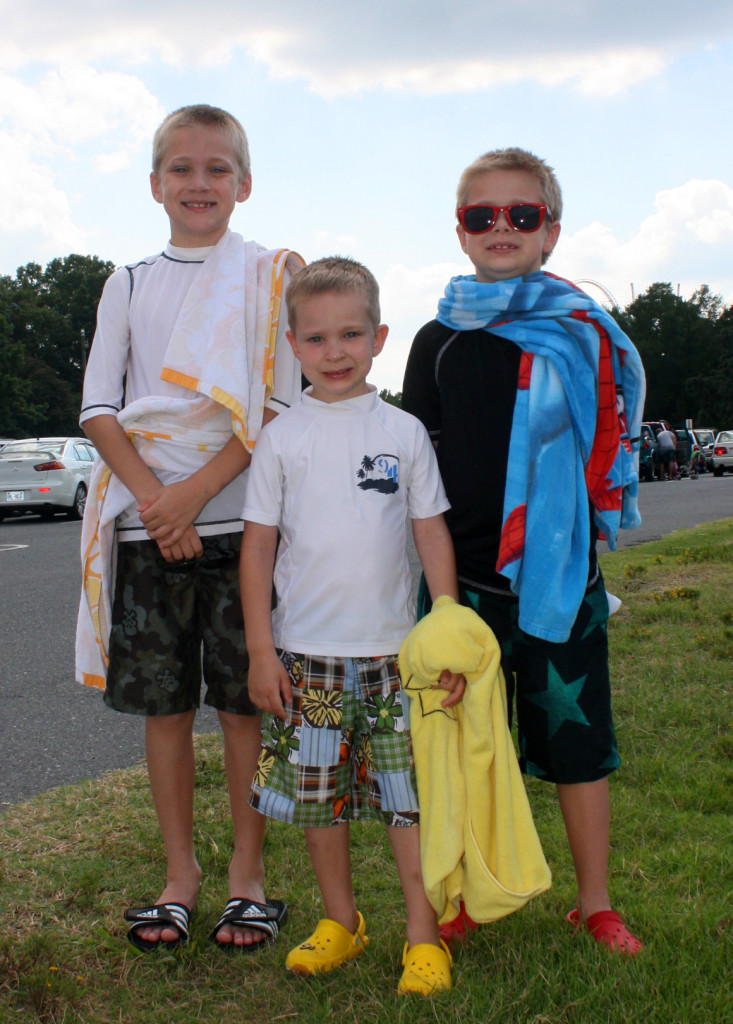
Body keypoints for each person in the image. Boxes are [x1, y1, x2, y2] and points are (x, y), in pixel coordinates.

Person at [402, 147, 646, 956]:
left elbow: (607, 444)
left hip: (558, 572)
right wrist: (435, 595)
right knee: (466, 742)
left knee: (576, 743)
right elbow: (419, 470)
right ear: (461, 230)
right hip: (458, 580)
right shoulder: (435, 337)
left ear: (549, 230)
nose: (499, 228)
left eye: (520, 214)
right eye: (482, 215)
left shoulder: (582, 333)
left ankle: (596, 901)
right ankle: (468, 892)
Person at [76, 104, 303, 953]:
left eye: (217, 168)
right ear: (154, 184)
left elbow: (279, 403)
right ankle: (180, 878)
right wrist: (154, 499)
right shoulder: (128, 283)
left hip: (245, 523)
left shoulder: (272, 274)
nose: (199, 182)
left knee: (246, 706)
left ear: (244, 183)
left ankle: (249, 879)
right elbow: (100, 405)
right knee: (164, 710)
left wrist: (196, 493)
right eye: (182, 167)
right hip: (146, 527)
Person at [240, 256, 465, 995]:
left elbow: (430, 533)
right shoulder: (281, 437)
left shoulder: (402, 431)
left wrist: (445, 632)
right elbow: (258, 546)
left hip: (395, 659)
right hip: (308, 661)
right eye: (315, 338)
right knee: (317, 795)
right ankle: (340, 920)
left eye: (350, 334)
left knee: (407, 800)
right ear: (292, 345)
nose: (333, 352)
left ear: (378, 337)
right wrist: (261, 650)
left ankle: (420, 934)